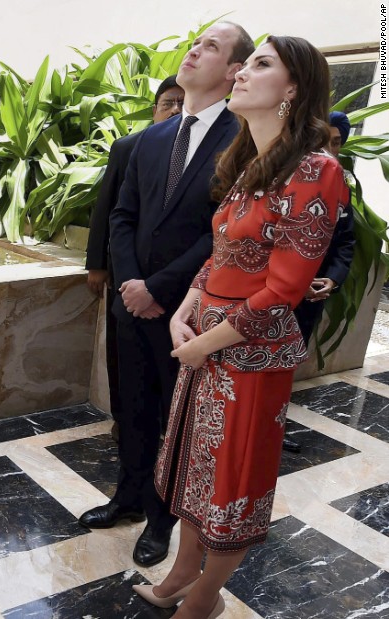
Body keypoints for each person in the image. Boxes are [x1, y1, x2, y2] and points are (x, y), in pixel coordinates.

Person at [135, 36, 346, 619]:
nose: (242, 74)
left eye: (261, 64)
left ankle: (205, 598)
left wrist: (203, 342)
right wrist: (184, 309)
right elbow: (222, 251)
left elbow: (284, 289)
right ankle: (182, 572)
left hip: (248, 357)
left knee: (233, 484)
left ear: (294, 88)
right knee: (192, 469)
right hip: (205, 342)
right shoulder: (252, 164)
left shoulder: (317, 170)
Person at [81, 21, 256, 569]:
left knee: (171, 419)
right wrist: (132, 284)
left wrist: (157, 289)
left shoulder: (246, 139)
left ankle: (161, 519)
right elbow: (123, 214)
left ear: (233, 72)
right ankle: (128, 498)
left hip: (189, 311)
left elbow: (223, 230)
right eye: (194, 43)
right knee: (131, 409)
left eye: (210, 47)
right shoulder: (152, 138)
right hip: (132, 304)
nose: (194, 51)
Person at [85, 76, 185, 442]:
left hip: (176, 281)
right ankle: (121, 417)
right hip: (126, 275)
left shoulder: (208, 149)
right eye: (168, 102)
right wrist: (98, 263)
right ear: (155, 109)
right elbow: (108, 208)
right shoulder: (128, 147)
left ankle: (166, 424)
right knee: (121, 353)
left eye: (182, 103)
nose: (175, 109)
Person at [293, 110, 355, 342]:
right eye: (322, 141)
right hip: (273, 293)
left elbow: (346, 240)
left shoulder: (341, 187)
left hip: (313, 295)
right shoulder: (286, 178)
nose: (329, 149)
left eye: (336, 143)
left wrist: (333, 278)